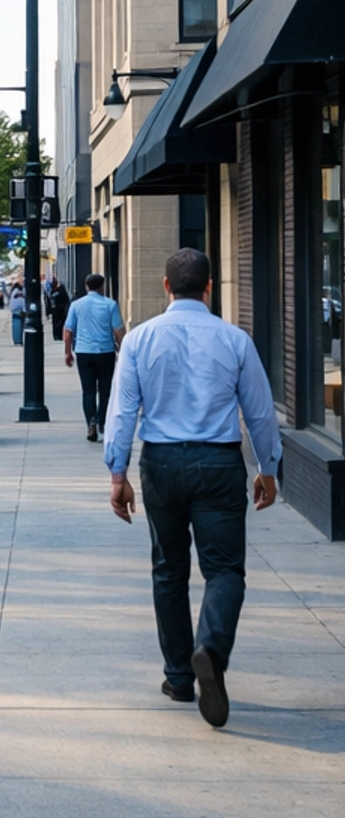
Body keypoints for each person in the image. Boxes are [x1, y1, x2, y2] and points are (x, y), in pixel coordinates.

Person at [104, 246, 282, 727]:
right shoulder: (234, 339)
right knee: (225, 570)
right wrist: (268, 467)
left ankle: (180, 676)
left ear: (166, 287)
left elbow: (121, 412)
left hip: (160, 463)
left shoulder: (140, 340)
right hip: (219, 463)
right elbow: (260, 411)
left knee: (169, 569)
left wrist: (117, 475)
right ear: (209, 286)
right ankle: (212, 648)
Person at [63, 271, 125, 442]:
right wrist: (123, 349)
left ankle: (90, 421)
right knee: (105, 390)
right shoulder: (110, 305)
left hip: (83, 352)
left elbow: (68, 331)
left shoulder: (76, 305)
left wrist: (68, 352)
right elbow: (118, 331)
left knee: (88, 390)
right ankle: (102, 420)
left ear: (86, 286)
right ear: (102, 286)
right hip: (105, 353)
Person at [48, 276, 71, 343]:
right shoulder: (53, 291)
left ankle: (59, 335)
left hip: (60, 309)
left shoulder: (61, 290)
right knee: (56, 323)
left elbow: (66, 300)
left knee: (60, 322)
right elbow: (49, 301)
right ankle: (56, 335)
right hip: (55, 310)